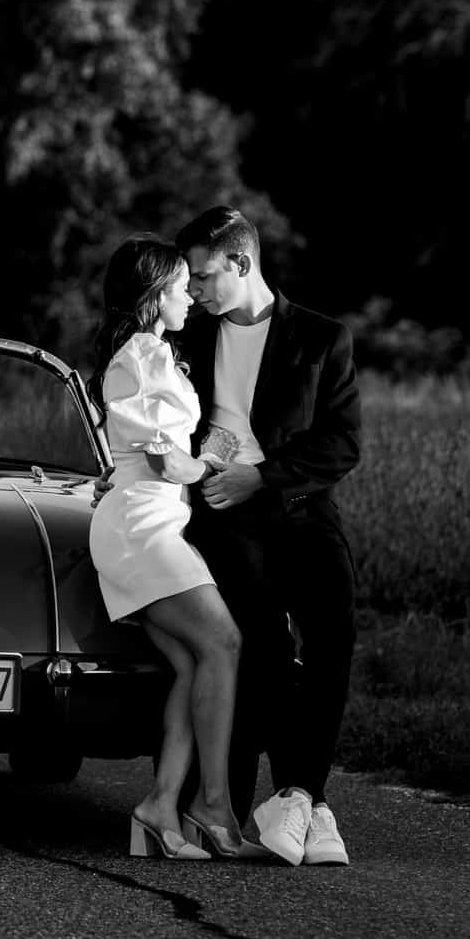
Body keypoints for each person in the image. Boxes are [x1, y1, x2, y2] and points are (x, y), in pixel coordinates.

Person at [174, 205, 361, 868]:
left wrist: (261, 477)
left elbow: (340, 444)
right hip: (222, 518)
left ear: (241, 263)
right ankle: (281, 803)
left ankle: (300, 798)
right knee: (264, 650)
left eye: (202, 276)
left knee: (334, 639)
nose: (192, 290)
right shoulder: (185, 341)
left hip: (302, 508)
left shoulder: (320, 337)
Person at [87, 234, 255, 862]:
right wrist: (212, 456)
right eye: (183, 287)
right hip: (142, 526)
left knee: (191, 663)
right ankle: (212, 807)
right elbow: (165, 465)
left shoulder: (145, 353)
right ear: (157, 295)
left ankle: (161, 806)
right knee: (224, 642)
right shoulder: (146, 356)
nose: (191, 297)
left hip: (144, 523)